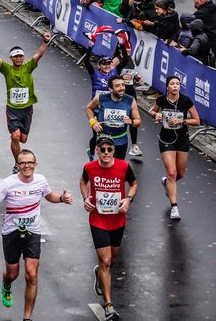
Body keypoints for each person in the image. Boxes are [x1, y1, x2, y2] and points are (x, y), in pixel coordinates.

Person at [0, 149, 74, 317]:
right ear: (17, 165)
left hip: (32, 232)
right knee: (13, 273)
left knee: (32, 275)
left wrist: (62, 199)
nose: (26, 165)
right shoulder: (8, 183)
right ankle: (6, 284)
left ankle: (27, 317)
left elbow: (49, 196)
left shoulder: (41, 180)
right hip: (11, 232)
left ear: (35, 164)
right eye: (23, 162)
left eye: (30, 162)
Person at [80, 135, 137, 321]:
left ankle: (99, 273)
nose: (105, 153)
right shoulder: (89, 167)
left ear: (113, 151)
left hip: (118, 221)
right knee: (105, 260)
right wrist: (86, 198)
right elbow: (83, 182)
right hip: (98, 220)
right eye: (102, 149)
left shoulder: (123, 166)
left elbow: (134, 184)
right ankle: (109, 306)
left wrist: (128, 199)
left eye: (109, 149)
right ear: (97, 150)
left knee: (112, 258)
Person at [0, 30, 51, 159]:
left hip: (27, 109)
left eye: (20, 56)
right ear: (11, 58)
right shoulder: (7, 69)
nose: (18, 58)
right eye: (15, 56)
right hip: (13, 109)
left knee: (23, 139)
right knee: (15, 136)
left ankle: (16, 147)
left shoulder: (28, 67)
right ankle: (18, 163)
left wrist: (45, 41)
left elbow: (39, 54)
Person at [149, 75, 199, 220]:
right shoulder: (161, 100)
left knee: (180, 173)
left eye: (178, 84)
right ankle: (174, 207)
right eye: (172, 84)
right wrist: (156, 115)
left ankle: (166, 182)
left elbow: (197, 120)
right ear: (167, 87)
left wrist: (182, 120)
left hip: (182, 139)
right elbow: (152, 111)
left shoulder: (185, 101)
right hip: (166, 139)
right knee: (172, 172)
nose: (175, 86)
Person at [85, 75, 141, 161]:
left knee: (118, 168)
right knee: (105, 166)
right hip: (104, 140)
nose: (122, 88)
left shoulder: (130, 100)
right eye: (117, 86)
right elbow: (89, 108)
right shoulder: (101, 99)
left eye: (123, 85)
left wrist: (131, 122)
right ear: (111, 89)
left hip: (121, 140)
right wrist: (93, 122)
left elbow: (138, 121)